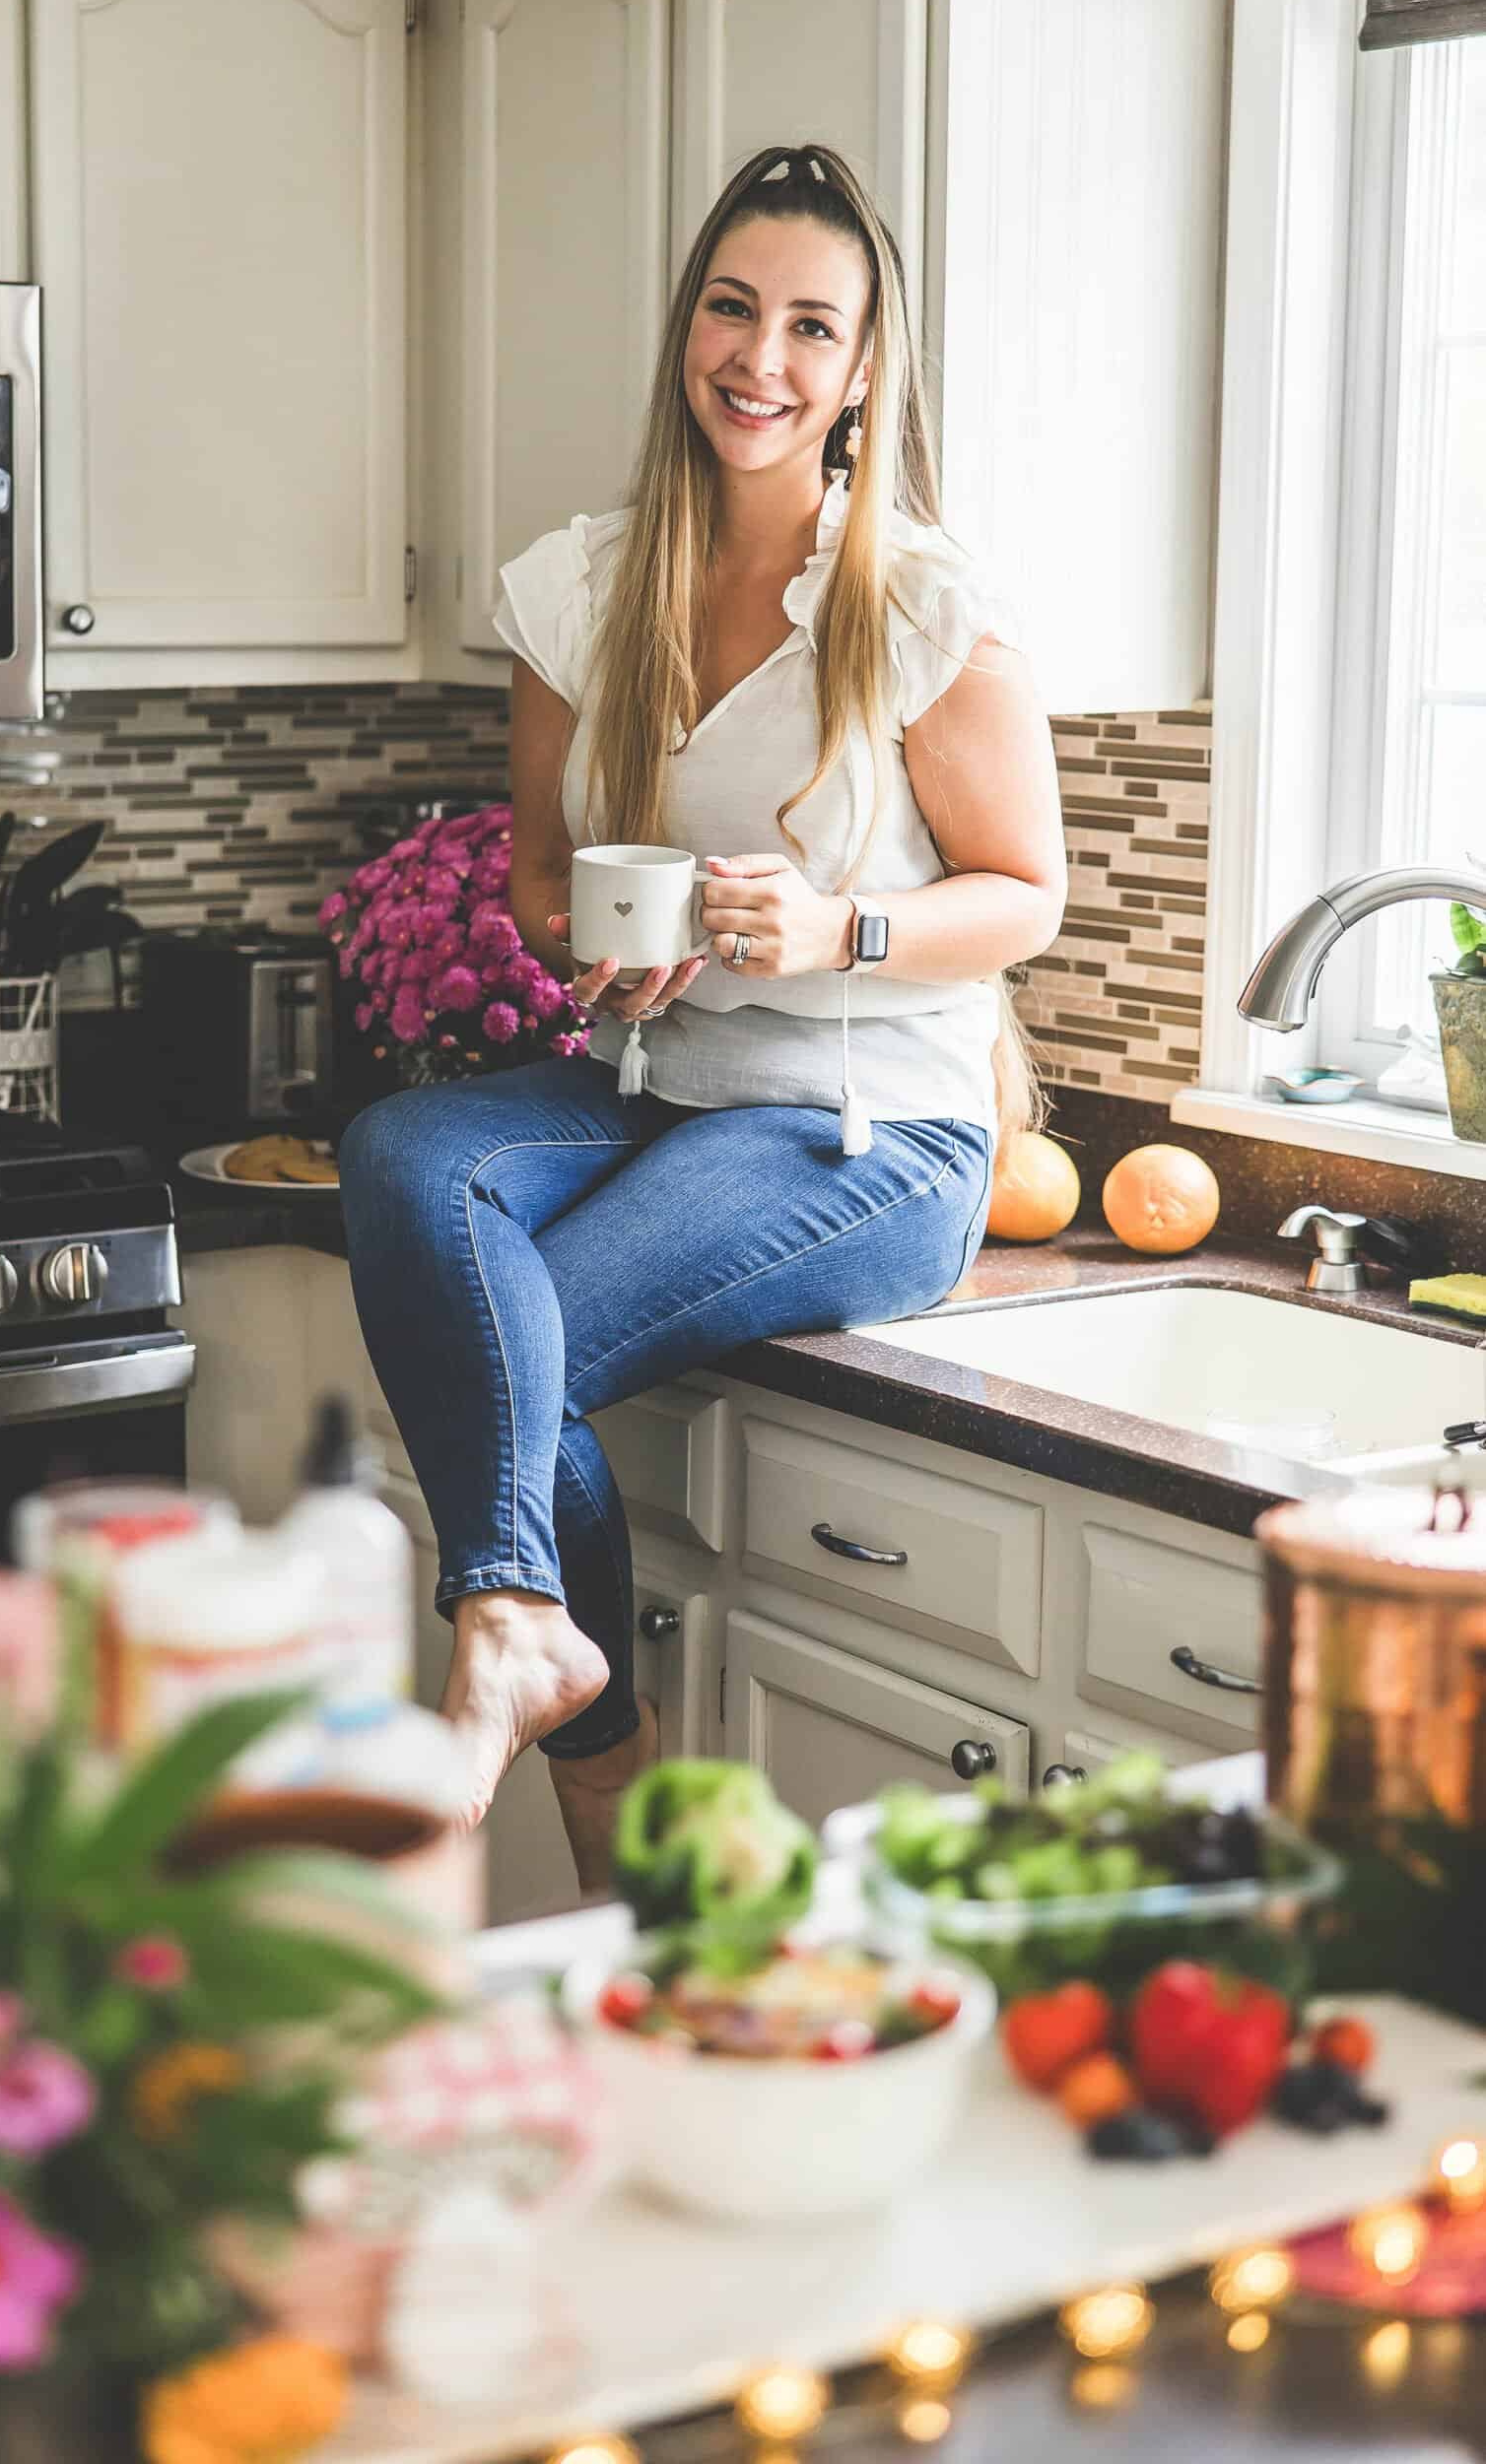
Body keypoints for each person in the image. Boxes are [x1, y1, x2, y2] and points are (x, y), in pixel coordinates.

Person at [340, 144, 1065, 1892]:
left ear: (865, 368)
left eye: (815, 325)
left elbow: (1026, 894)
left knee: (521, 1352)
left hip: (870, 1130)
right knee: (404, 1157)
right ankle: (560, 1678)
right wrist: (609, 953)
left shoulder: (917, 610)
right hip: (651, 1076)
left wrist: (836, 921)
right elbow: (534, 880)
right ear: (690, 331)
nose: (765, 357)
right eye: (735, 309)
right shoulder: (579, 591)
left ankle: (587, 1763)